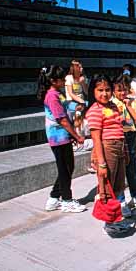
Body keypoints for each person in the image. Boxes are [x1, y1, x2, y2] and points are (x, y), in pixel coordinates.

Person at [37, 65, 86, 213]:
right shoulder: (51, 96)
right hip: (58, 137)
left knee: (67, 167)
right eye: (61, 80)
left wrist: (78, 106)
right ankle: (66, 200)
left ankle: (53, 198)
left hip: (62, 136)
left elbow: (65, 104)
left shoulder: (57, 93)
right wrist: (76, 135)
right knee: (65, 169)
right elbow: (62, 120)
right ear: (53, 80)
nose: (64, 82)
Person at [86, 74, 128, 229]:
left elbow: (120, 130)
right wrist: (101, 163)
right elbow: (97, 139)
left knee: (117, 186)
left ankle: (114, 217)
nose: (104, 93)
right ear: (93, 91)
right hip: (107, 149)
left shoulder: (113, 106)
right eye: (100, 90)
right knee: (106, 188)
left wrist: (125, 152)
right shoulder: (94, 111)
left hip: (119, 148)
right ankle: (108, 222)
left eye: (108, 90)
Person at [112, 75, 136, 215]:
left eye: (125, 90)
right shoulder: (111, 103)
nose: (122, 93)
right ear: (114, 90)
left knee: (132, 168)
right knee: (119, 170)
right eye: (119, 90)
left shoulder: (133, 103)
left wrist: (128, 107)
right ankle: (121, 201)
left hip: (131, 136)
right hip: (117, 137)